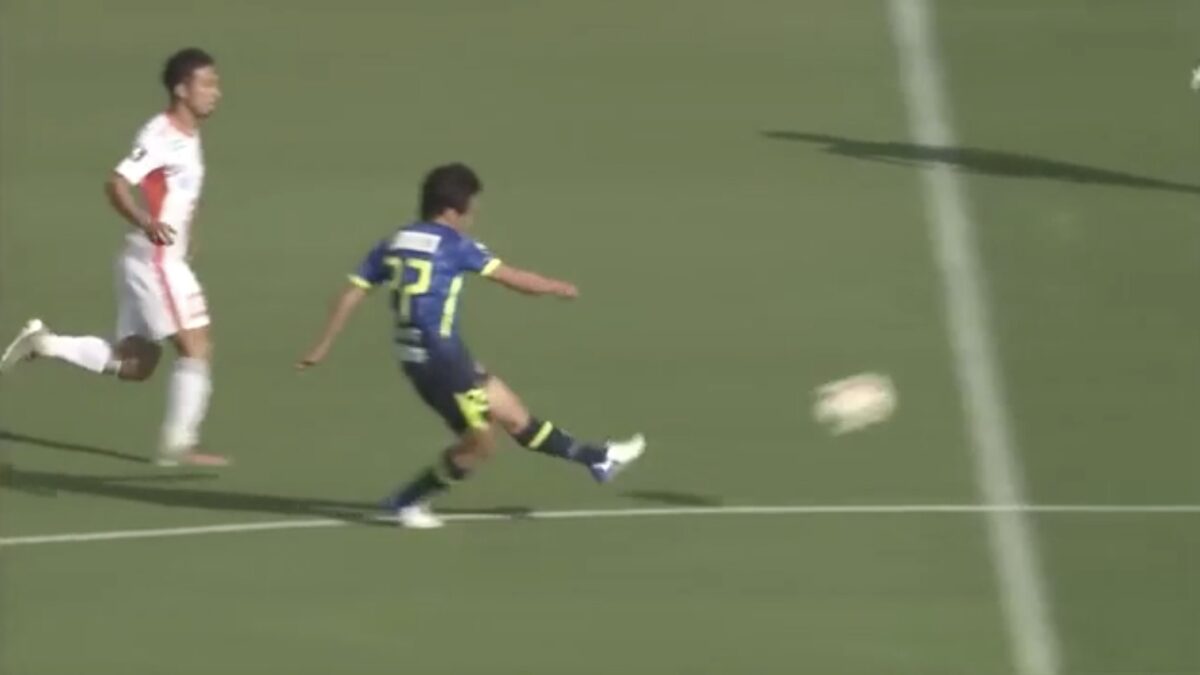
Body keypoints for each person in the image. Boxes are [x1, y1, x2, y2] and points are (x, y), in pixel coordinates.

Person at [298, 163, 644, 529]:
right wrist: (558, 288)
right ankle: (407, 501)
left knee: (514, 415)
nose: (472, 218)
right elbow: (513, 279)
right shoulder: (456, 245)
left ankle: (597, 458)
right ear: (451, 210)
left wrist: (322, 345)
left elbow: (352, 293)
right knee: (481, 445)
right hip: (443, 363)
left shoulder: (394, 242)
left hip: (422, 357)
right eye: (471, 210)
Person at [0, 48, 227, 467]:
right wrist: (145, 221)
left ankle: (45, 343)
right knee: (196, 345)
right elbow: (117, 182)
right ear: (182, 89)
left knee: (137, 364)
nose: (216, 92)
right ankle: (178, 445)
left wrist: (189, 230)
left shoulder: (190, 135)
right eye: (207, 83)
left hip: (155, 258)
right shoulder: (160, 135)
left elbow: (181, 192)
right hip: (155, 259)